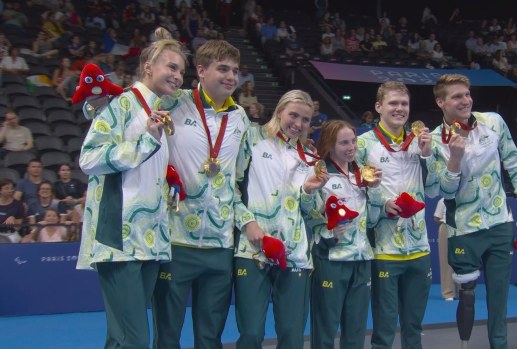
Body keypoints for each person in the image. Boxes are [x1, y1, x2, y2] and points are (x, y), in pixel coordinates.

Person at [76, 28, 187, 349]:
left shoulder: (157, 110)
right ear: (148, 66)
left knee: (120, 338)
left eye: (181, 70)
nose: (178, 76)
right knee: (135, 340)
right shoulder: (121, 104)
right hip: (118, 238)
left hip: (151, 240)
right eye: (171, 66)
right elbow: (89, 158)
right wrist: (145, 140)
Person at [426, 73, 517, 349]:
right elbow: (441, 192)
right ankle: (464, 344)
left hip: (500, 222)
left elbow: (513, 163)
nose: (465, 101)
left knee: (499, 298)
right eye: (457, 96)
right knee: (466, 295)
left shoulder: (493, 122)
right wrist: (455, 159)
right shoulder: (434, 141)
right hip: (464, 228)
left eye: (467, 94)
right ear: (441, 102)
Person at [151, 39, 251, 349]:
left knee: (210, 338)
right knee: (167, 336)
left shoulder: (241, 118)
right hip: (176, 238)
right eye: (223, 69)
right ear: (201, 71)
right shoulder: (172, 102)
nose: (231, 76)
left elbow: (239, 178)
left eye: (235, 70)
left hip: (221, 243)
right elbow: (135, 100)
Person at [234, 89, 328, 349]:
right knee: (251, 333)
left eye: (306, 120)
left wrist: (310, 191)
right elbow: (229, 186)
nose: (298, 124)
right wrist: (247, 223)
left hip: (294, 252)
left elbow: (311, 211)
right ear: (279, 111)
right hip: (253, 249)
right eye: (293, 115)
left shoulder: (310, 157)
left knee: (291, 334)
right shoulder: (253, 138)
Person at [355, 81, 433, 349]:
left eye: (404, 104)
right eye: (393, 103)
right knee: (385, 325)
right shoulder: (363, 144)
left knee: (414, 325)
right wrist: (382, 202)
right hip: (384, 249)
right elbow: (356, 192)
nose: (400, 109)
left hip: (419, 247)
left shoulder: (420, 142)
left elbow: (436, 188)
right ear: (378, 107)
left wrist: (428, 155)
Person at [306, 120, 383, 349]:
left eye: (354, 141)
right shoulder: (321, 174)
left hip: (362, 260)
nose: (351, 147)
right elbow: (309, 214)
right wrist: (328, 232)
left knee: (356, 329)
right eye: (344, 143)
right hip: (332, 259)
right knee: (325, 328)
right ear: (330, 145)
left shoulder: (362, 174)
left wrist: (376, 188)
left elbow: (373, 219)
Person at [434, 197, 456, 301]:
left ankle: (462, 290)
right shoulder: (442, 201)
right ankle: (448, 293)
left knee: (463, 260)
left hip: (463, 229)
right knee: (446, 261)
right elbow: (437, 218)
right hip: (446, 227)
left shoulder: (465, 197)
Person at [0, 178, 26, 243]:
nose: (10, 190)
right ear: (0, 190)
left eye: (11, 188)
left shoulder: (18, 205)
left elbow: (18, 227)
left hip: (11, 234)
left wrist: (14, 219)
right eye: (6, 188)